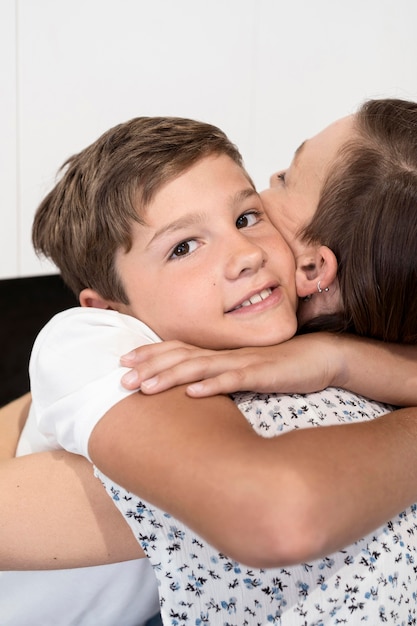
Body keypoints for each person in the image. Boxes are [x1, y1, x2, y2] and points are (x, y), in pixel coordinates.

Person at [17, 105, 417, 623]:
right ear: (111, 308)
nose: (245, 253)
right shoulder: (99, 341)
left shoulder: (282, 357)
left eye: (247, 217)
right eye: (183, 247)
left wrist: (339, 359)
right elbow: (269, 515)